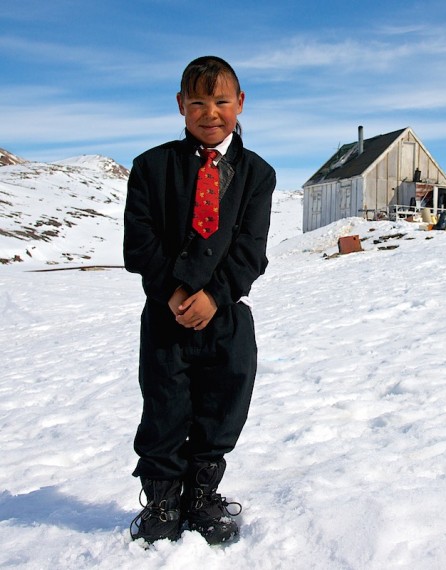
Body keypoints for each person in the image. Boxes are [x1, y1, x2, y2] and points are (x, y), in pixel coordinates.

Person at [123, 55, 276, 546]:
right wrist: (173, 291)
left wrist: (214, 295)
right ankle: (163, 500)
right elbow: (139, 242)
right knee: (165, 407)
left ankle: (202, 496)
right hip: (166, 315)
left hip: (226, 317)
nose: (210, 113)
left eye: (221, 101)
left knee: (222, 406)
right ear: (180, 106)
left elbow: (251, 250)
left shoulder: (257, 174)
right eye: (197, 103)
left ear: (240, 103)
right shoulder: (151, 167)